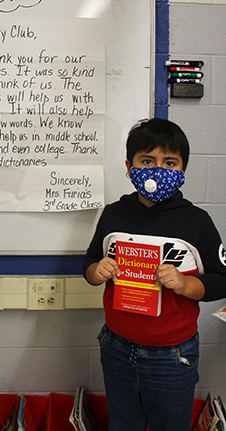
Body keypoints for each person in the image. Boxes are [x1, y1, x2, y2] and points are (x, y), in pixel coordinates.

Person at [83, 118, 226, 431]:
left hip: (172, 355)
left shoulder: (196, 221)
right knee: (123, 423)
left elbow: (221, 279)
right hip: (116, 346)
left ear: (183, 171)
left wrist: (187, 284)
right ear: (129, 165)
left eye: (169, 162)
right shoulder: (114, 213)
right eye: (147, 160)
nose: (157, 170)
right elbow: (91, 262)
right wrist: (97, 271)